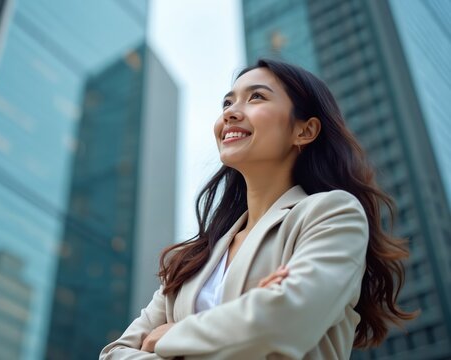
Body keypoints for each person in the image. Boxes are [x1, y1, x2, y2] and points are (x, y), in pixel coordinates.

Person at [100, 59, 415, 359]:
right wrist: (249, 320)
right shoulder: (196, 258)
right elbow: (115, 353)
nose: (231, 113)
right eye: (227, 102)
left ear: (304, 131)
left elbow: (286, 323)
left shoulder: (332, 213)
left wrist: (172, 337)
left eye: (256, 98)